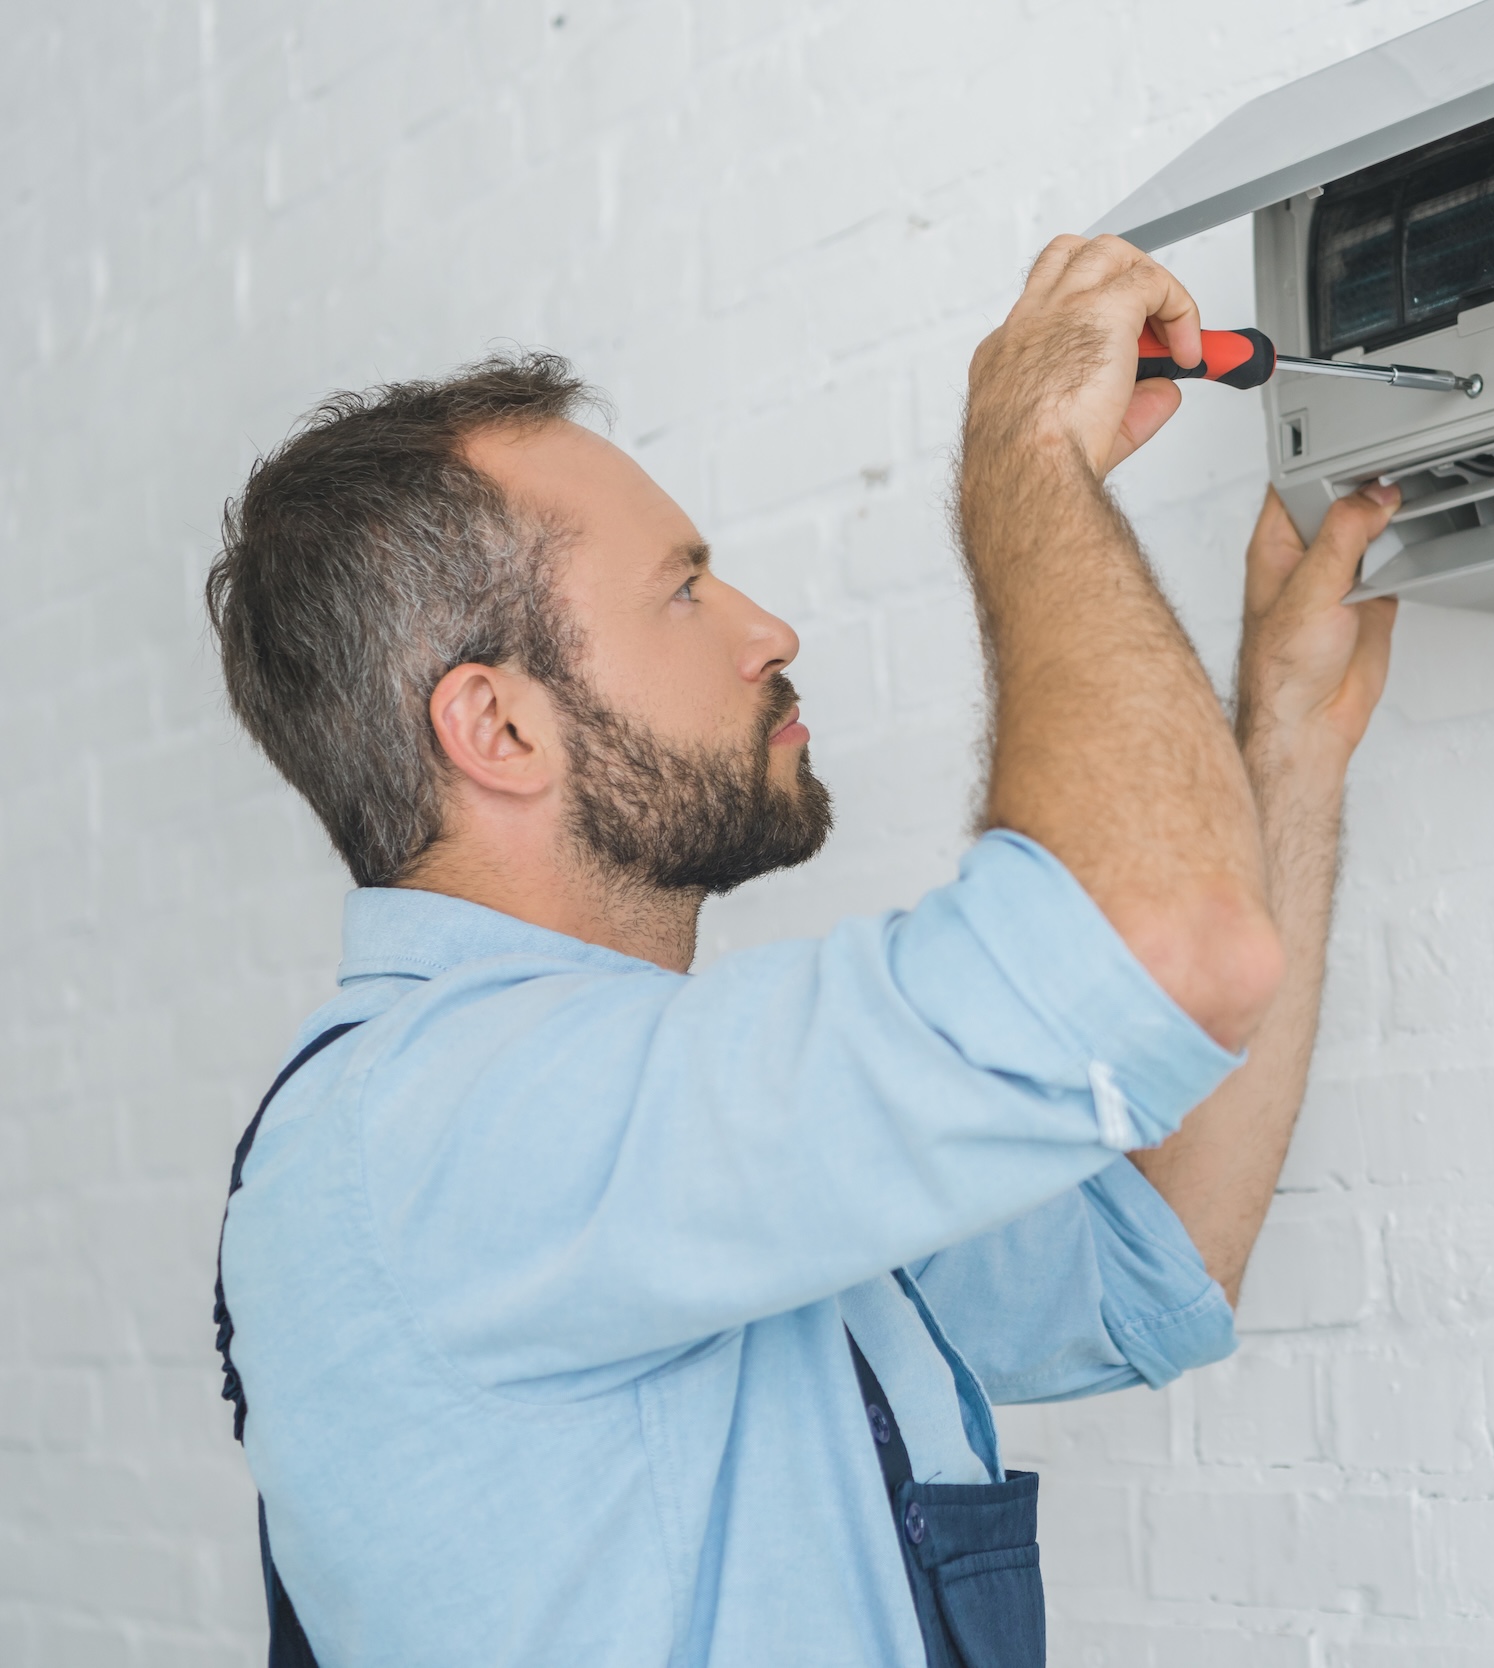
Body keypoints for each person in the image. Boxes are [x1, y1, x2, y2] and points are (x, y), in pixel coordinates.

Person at [205, 234, 1401, 1668]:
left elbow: (1152, 1251)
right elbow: (1166, 947)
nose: (767, 629)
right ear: (498, 728)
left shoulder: (659, 1139)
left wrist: (1286, 737)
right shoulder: (448, 1129)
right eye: (685, 590)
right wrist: (1025, 455)